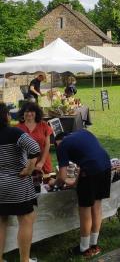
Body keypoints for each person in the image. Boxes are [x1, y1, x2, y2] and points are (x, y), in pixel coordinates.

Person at [50, 130, 111, 258]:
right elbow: (86, 160)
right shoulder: (83, 133)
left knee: (85, 210)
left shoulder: (62, 146)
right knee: (97, 206)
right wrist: (75, 183)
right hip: (105, 166)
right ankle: (94, 245)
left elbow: (61, 177)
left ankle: (84, 248)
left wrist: (53, 183)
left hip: (90, 172)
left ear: (57, 142)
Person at [0, 103, 40, 262]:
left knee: (1, 221)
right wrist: (29, 169)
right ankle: (24, 260)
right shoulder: (14, 132)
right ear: (6, 116)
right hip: (17, 184)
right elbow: (35, 148)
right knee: (26, 219)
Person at [17, 102, 53, 174]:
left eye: (32, 111)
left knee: (45, 183)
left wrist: (42, 162)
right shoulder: (18, 128)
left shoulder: (43, 125)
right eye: (26, 111)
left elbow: (47, 145)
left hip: (43, 161)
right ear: (23, 113)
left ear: (36, 113)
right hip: (26, 163)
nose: (29, 114)